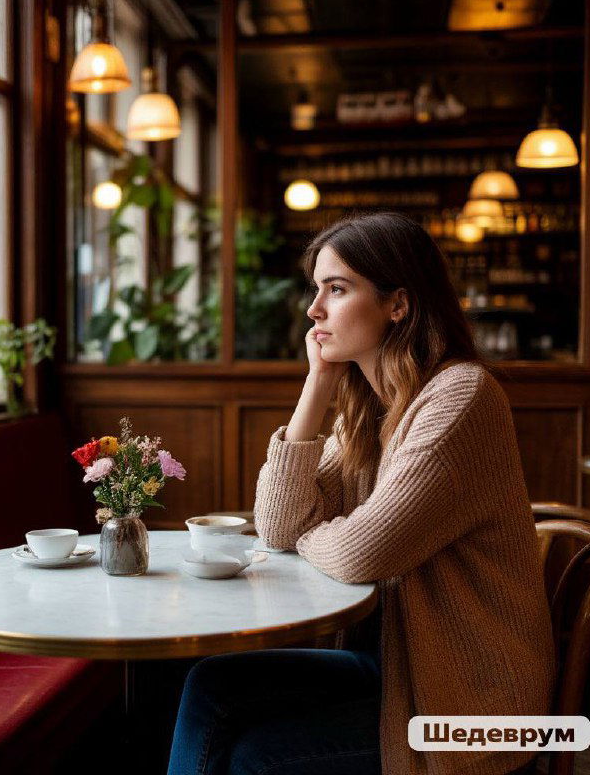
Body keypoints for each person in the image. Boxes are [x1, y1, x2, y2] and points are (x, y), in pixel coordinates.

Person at [167, 212, 555, 775]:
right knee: (212, 686)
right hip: (398, 665)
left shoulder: (460, 397)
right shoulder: (368, 408)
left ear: (398, 304)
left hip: (469, 697)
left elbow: (362, 554)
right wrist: (317, 381)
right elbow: (277, 524)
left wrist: (315, 534)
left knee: (256, 758)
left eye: (337, 289)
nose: (313, 310)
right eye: (316, 290)